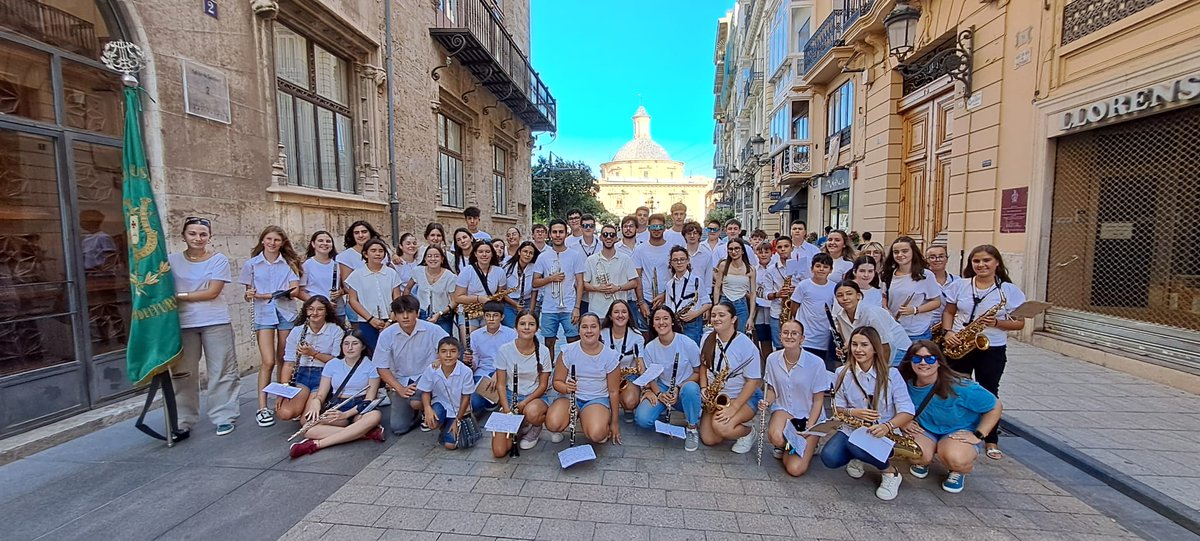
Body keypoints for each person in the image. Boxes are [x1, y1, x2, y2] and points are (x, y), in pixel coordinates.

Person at [940, 245, 1025, 460]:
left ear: (997, 263)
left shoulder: (1008, 291)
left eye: (986, 260)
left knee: (989, 390)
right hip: (959, 342)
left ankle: (990, 438)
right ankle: (953, 430)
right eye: (976, 261)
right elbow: (949, 311)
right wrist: (948, 332)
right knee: (955, 388)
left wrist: (997, 322)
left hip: (991, 346)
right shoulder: (961, 285)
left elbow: (1020, 324)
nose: (981, 265)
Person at [821, 327, 915, 501]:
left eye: (864, 345)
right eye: (854, 344)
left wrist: (887, 426)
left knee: (857, 445)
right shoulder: (842, 373)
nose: (858, 349)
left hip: (884, 430)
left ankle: (890, 473)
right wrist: (853, 411)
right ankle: (860, 456)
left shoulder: (891, 374)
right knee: (829, 458)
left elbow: (908, 410)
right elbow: (837, 407)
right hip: (853, 427)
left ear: (875, 348)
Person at [900, 340, 1002, 494]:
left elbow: (995, 406)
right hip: (925, 429)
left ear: (939, 362)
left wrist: (979, 434)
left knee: (955, 458)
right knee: (916, 454)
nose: (923, 363)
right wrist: (903, 422)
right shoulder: (904, 383)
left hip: (957, 430)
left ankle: (959, 470)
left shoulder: (960, 386)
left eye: (929, 358)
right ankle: (925, 459)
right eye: (917, 358)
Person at [170, 216, 239, 436]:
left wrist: (179, 296)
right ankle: (183, 419)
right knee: (183, 373)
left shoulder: (218, 260)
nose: (197, 238)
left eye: (202, 234)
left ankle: (224, 416)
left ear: (209, 237)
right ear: (183, 236)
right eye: (192, 233)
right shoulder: (171, 261)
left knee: (222, 370)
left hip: (215, 320)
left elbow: (212, 292)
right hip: (183, 323)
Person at [239, 225, 302, 428]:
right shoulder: (252, 264)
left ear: (282, 243)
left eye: (276, 240)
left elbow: (293, 291)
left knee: (284, 358)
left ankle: (281, 399)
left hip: (285, 312)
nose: (272, 243)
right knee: (267, 361)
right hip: (263, 315)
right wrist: (251, 294)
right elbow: (248, 293)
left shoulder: (289, 264)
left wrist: (265, 295)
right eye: (269, 239)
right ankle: (262, 406)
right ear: (262, 240)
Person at [289, 330, 385, 458]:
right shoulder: (332, 364)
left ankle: (317, 444)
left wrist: (345, 414)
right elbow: (321, 394)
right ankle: (362, 433)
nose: (349, 348)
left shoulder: (371, 366)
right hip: (338, 405)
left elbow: (369, 399)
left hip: (359, 407)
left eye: (355, 343)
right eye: (346, 344)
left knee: (374, 416)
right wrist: (316, 403)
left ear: (363, 346)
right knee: (308, 428)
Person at [373, 295, 449, 436]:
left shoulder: (432, 329)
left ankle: (428, 407)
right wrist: (399, 389)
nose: (406, 316)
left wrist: (441, 360)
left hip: (427, 378)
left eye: (410, 312)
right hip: (401, 380)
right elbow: (381, 367)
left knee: (416, 402)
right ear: (395, 316)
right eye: (401, 313)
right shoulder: (386, 335)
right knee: (398, 428)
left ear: (417, 313)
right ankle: (414, 413)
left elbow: (451, 347)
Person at [760, 319, 827, 475]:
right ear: (780, 335)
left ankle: (801, 445)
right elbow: (772, 389)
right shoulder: (772, 359)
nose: (789, 336)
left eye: (794, 333)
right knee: (776, 437)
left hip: (808, 415)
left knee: (795, 469)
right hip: (784, 409)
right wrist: (767, 401)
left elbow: (818, 401)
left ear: (802, 338)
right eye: (785, 332)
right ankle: (787, 445)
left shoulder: (816, 363)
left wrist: (809, 428)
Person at [545, 313, 623, 444]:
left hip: (596, 398)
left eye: (593, 327)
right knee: (552, 424)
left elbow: (614, 391)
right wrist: (566, 387)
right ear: (579, 329)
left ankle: (593, 418)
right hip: (570, 398)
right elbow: (556, 382)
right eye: (584, 327)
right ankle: (576, 416)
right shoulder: (568, 351)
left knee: (597, 434)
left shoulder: (610, 355)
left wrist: (615, 422)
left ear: (600, 329)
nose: (589, 331)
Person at [634, 305, 703, 451]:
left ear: (672, 321)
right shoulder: (650, 347)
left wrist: (678, 387)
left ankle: (692, 427)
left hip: (684, 386)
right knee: (642, 419)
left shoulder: (687, 343)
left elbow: (698, 372)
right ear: (652, 324)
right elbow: (651, 377)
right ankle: (665, 411)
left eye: (665, 318)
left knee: (691, 389)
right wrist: (659, 393)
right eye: (657, 319)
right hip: (663, 387)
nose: (661, 322)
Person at [697, 301, 763, 454]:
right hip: (717, 396)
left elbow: (753, 381)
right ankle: (726, 424)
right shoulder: (707, 337)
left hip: (743, 397)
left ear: (733, 319)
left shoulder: (746, 345)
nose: (716, 319)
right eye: (713, 315)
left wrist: (733, 408)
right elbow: (703, 365)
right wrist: (704, 387)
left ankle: (747, 432)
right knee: (709, 439)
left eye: (722, 315)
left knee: (721, 427)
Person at [492, 310, 553, 454]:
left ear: (537, 329)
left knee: (532, 412)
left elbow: (543, 385)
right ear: (516, 327)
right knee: (499, 451)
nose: (526, 327)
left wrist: (524, 403)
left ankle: (535, 427)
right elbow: (500, 384)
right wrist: (507, 409)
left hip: (534, 398)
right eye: (522, 324)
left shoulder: (543, 351)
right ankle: (521, 425)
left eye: (531, 324)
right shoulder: (504, 350)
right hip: (509, 398)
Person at [276, 295, 344, 422]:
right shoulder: (297, 331)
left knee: (306, 421)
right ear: (306, 311)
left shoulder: (336, 330)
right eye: (311, 309)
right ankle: (305, 404)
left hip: (323, 375)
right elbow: (289, 363)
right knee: (284, 413)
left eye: (320, 309)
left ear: (327, 311)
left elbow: (336, 362)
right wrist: (283, 390)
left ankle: (318, 404)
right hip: (302, 374)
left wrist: (314, 354)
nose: (315, 313)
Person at [533, 219, 586, 352]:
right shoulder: (543, 257)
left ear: (566, 233)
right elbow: (535, 282)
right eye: (555, 232)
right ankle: (548, 370)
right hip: (549, 308)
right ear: (550, 234)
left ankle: (570, 371)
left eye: (561, 232)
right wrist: (551, 278)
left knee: (573, 342)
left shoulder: (575, 255)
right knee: (548, 343)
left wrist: (577, 307)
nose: (558, 235)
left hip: (569, 306)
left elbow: (580, 283)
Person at [832, 280, 911, 367]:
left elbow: (886, 346)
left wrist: (881, 372)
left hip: (897, 350)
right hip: (874, 352)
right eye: (840, 295)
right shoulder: (840, 318)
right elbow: (850, 342)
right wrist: (844, 349)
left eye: (849, 294)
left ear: (858, 296)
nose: (845, 298)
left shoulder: (872, 313)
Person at [418, 337, 477, 450]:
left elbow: (466, 398)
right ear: (438, 354)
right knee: (432, 421)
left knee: (450, 445)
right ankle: (442, 425)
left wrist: (457, 420)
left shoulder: (466, 371)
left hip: (458, 410)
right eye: (444, 351)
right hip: (440, 404)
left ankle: (447, 429)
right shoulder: (432, 369)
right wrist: (427, 409)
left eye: (453, 351)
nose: (448, 355)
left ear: (459, 353)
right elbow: (426, 391)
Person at [344, 238, 402, 351]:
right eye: (373, 250)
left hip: (390, 320)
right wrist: (370, 319)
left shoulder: (391, 273)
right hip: (367, 321)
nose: (377, 254)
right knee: (372, 353)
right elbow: (353, 300)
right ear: (366, 254)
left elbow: (397, 298)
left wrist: (390, 320)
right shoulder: (357, 275)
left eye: (381, 251)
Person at [881, 236, 942, 342]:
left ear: (913, 252)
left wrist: (915, 310)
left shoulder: (925, 275)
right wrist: (886, 310)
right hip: (894, 329)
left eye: (905, 251)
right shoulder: (888, 274)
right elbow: (884, 296)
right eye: (896, 252)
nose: (900, 255)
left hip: (917, 332)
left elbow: (936, 302)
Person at [465, 302, 518, 414]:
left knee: (499, 394)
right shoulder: (475, 335)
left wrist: (498, 374)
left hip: (504, 372)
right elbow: (475, 360)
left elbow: (513, 358)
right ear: (484, 317)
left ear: (502, 317)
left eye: (495, 315)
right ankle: (491, 400)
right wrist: (470, 362)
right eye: (488, 315)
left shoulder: (511, 334)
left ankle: (494, 400)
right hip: (482, 373)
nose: (491, 319)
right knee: (475, 403)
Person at [788, 253, 837, 371]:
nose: (821, 269)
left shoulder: (834, 287)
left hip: (824, 336)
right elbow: (794, 307)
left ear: (830, 270)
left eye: (825, 267)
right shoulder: (803, 285)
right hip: (807, 337)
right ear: (812, 268)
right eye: (818, 266)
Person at [601, 301, 645, 422]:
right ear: (610, 316)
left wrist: (646, 386)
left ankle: (626, 405)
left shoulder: (637, 337)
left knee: (630, 401)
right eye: (616, 312)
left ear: (629, 315)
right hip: (604, 375)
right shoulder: (601, 334)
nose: (620, 315)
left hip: (627, 377)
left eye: (624, 312)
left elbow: (640, 361)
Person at [584, 224, 638, 323]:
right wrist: (598, 288)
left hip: (619, 313)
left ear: (616, 238)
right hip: (597, 311)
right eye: (605, 234)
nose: (608, 237)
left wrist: (618, 288)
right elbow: (584, 284)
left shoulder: (625, 259)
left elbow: (634, 282)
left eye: (612, 235)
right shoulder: (591, 260)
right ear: (600, 237)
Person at [452, 239, 507, 335]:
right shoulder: (466, 271)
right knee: (469, 346)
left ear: (492, 254)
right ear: (475, 254)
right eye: (480, 252)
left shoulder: (499, 272)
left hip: (489, 313)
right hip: (468, 312)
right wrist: (479, 299)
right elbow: (457, 297)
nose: (484, 255)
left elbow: (500, 295)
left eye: (487, 252)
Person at [403, 244, 457, 336]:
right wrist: (411, 307)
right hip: (422, 315)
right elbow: (407, 289)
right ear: (425, 259)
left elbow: (454, 301)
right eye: (429, 256)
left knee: (443, 342)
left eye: (436, 256)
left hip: (443, 316)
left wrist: (440, 313)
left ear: (442, 259)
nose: (433, 259)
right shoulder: (418, 271)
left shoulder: (450, 276)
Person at [634, 214, 674, 331]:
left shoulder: (672, 248)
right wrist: (641, 302)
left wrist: (666, 295)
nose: (656, 230)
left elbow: (677, 276)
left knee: (666, 333)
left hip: (668, 298)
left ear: (664, 228)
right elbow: (637, 277)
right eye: (653, 227)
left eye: (659, 227)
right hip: (646, 299)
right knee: (646, 335)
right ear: (648, 227)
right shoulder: (640, 249)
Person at [664, 246, 711, 345]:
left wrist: (695, 314)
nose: (679, 262)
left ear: (688, 261)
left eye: (682, 259)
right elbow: (668, 306)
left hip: (693, 323)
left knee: (693, 352)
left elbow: (708, 303)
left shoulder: (696, 281)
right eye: (675, 260)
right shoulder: (669, 284)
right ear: (671, 263)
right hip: (676, 324)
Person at [713, 238, 757, 335]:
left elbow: (753, 293)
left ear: (742, 251)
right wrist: (716, 305)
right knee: (722, 333)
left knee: (740, 335)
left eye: (737, 248)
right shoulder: (723, 266)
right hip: (725, 301)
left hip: (741, 303)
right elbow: (717, 287)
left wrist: (751, 317)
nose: (734, 252)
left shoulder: (750, 269)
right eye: (730, 249)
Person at [297, 231, 345, 317]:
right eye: (320, 241)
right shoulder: (307, 265)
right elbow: (300, 291)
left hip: (336, 310)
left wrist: (341, 292)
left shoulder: (337, 264)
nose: (324, 243)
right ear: (313, 244)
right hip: (316, 311)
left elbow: (346, 287)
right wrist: (320, 302)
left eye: (328, 241)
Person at [753, 241, 784, 352]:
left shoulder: (776, 268)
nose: (763, 254)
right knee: (764, 338)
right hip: (760, 308)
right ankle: (767, 364)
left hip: (775, 307)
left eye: (766, 252)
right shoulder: (754, 269)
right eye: (760, 252)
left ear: (772, 253)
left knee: (777, 338)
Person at [503, 240, 541, 327]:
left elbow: (534, 291)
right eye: (525, 251)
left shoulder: (535, 268)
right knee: (512, 329)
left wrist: (531, 311)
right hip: (509, 302)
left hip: (527, 302)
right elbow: (502, 291)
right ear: (519, 252)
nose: (527, 255)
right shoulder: (507, 266)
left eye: (531, 253)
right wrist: (515, 304)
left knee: (526, 329)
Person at [925, 244, 958, 328]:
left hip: (951, 325)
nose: (937, 260)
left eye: (941, 256)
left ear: (946, 259)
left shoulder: (958, 281)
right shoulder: (921, 281)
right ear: (926, 260)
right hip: (927, 327)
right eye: (932, 257)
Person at [681, 221, 714, 304]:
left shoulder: (707, 254)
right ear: (685, 235)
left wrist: (706, 302)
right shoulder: (679, 254)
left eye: (695, 233)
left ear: (699, 235)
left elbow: (708, 279)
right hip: (682, 294)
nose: (692, 236)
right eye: (689, 233)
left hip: (700, 296)